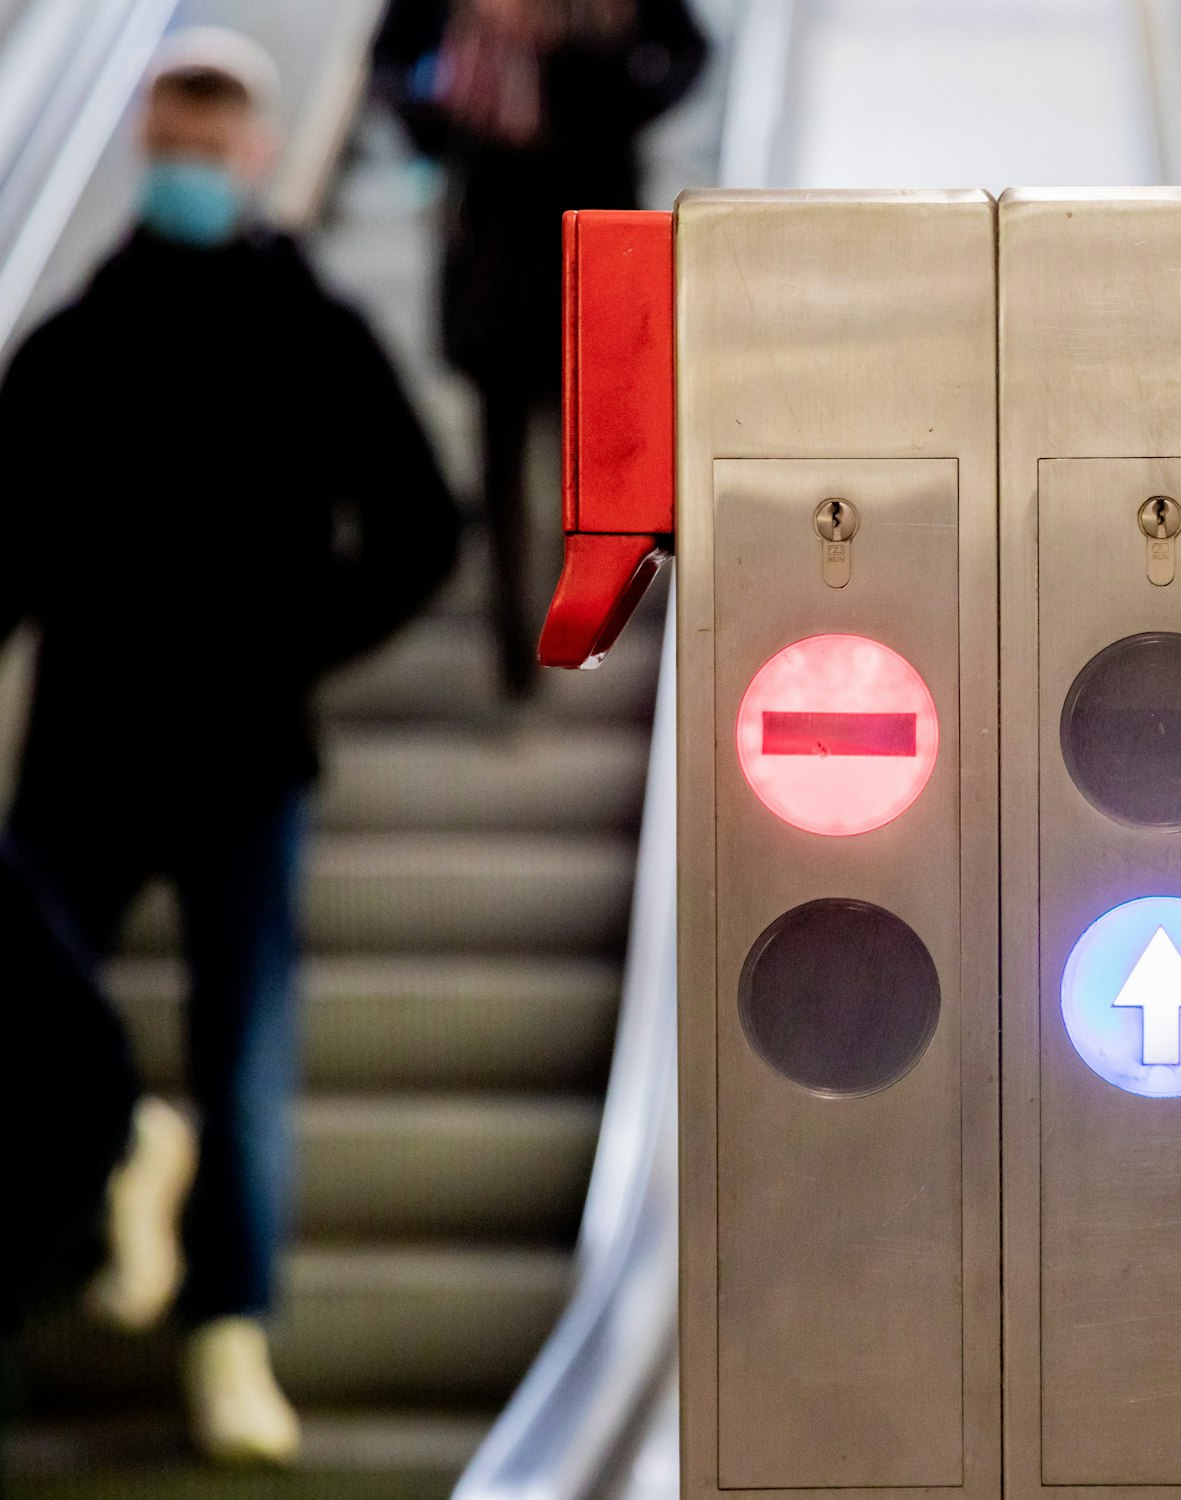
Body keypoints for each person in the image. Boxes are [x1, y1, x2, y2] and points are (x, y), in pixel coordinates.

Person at [0, 27, 459, 1465]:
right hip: (82, 745)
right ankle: (72, 1220)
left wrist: (298, 639)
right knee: (22, 1021)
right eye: (177, 136)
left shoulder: (315, 331)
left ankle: (229, 1334)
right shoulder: (73, 341)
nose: (196, 160)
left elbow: (421, 529)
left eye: (218, 138)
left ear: (258, 152)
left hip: (245, 754)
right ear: (151, 144)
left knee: (243, 1046)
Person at [374, 0, 708, 698]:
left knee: (584, 455)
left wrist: (618, 100)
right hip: (493, 240)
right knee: (502, 453)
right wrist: (441, 122)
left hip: (588, 231)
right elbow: (392, 64)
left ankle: (578, 614)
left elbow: (686, 50)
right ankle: (515, 640)